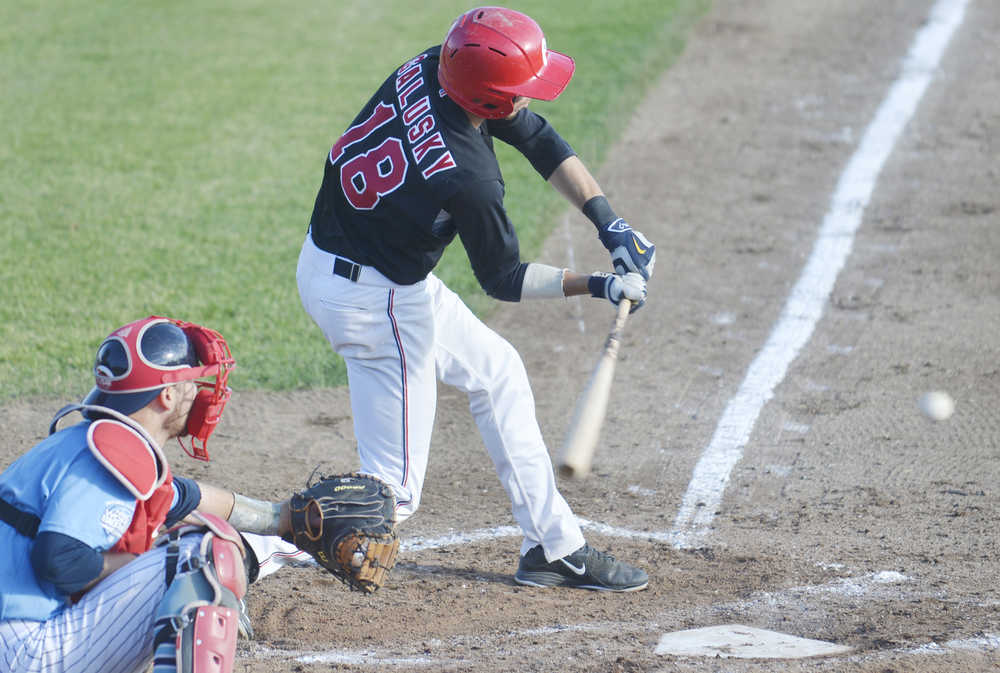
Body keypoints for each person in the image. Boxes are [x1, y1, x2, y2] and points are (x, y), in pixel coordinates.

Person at [296, 6, 656, 592]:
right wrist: (600, 284)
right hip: (376, 300)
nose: (529, 99)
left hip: (335, 260)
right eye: (521, 90)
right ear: (489, 100)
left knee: (497, 372)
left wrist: (609, 223)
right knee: (391, 497)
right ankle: (246, 550)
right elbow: (503, 279)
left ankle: (552, 547)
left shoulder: (432, 67)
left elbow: (535, 136)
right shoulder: (470, 178)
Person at [0, 316, 317, 673]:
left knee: (179, 541)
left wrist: (280, 518)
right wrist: (137, 558)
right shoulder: (111, 457)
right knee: (202, 555)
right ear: (167, 395)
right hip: (24, 651)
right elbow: (59, 561)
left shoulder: (96, 444)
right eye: (191, 382)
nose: (199, 391)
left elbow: (185, 498)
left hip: (15, 639)